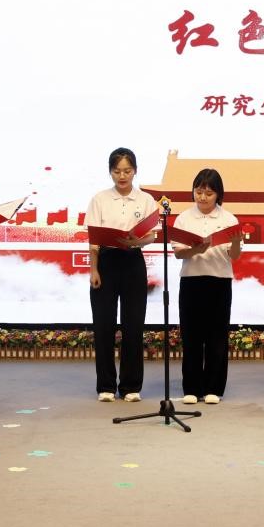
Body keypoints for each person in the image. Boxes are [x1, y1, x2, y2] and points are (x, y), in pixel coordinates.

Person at [87, 147, 157, 403]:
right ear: (110, 172)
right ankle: (105, 385)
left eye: (127, 171)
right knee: (103, 325)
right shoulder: (100, 199)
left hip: (132, 261)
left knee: (133, 325)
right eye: (117, 171)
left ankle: (130, 386)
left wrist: (137, 241)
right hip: (106, 261)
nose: (122, 176)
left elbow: (151, 235)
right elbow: (94, 239)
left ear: (135, 171)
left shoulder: (145, 200)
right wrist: (94, 269)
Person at [172, 168, 242, 405]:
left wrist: (235, 242)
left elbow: (234, 255)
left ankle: (214, 388)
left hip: (219, 281)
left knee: (217, 336)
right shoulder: (184, 218)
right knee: (191, 336)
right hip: (191, 281)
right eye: (198, 191)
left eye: (209, 193)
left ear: (218, 195)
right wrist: (197, 250)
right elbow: (179, 254)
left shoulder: (228, 219)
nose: (202, 197)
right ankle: (192, 388)